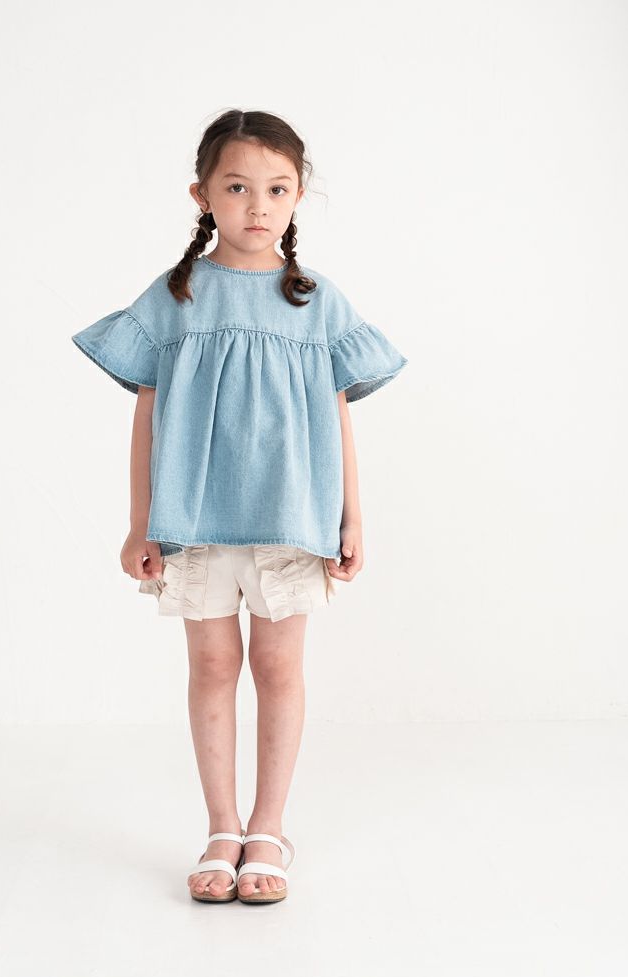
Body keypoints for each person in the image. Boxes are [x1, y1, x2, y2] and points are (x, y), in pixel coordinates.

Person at [70, 109, 408, 904]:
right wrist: (140, 521)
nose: (258, 206)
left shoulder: (315, 301)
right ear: (202, 195)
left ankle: (269, 827)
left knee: (279, 667)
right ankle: (222, 827)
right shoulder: (176, 296)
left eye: (277, 189)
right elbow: (148, 414)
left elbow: (339, 415)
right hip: (193, 522)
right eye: (237, 188)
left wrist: (353, 517)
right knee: (213, 667)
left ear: (297, 198)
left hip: (292, 519)